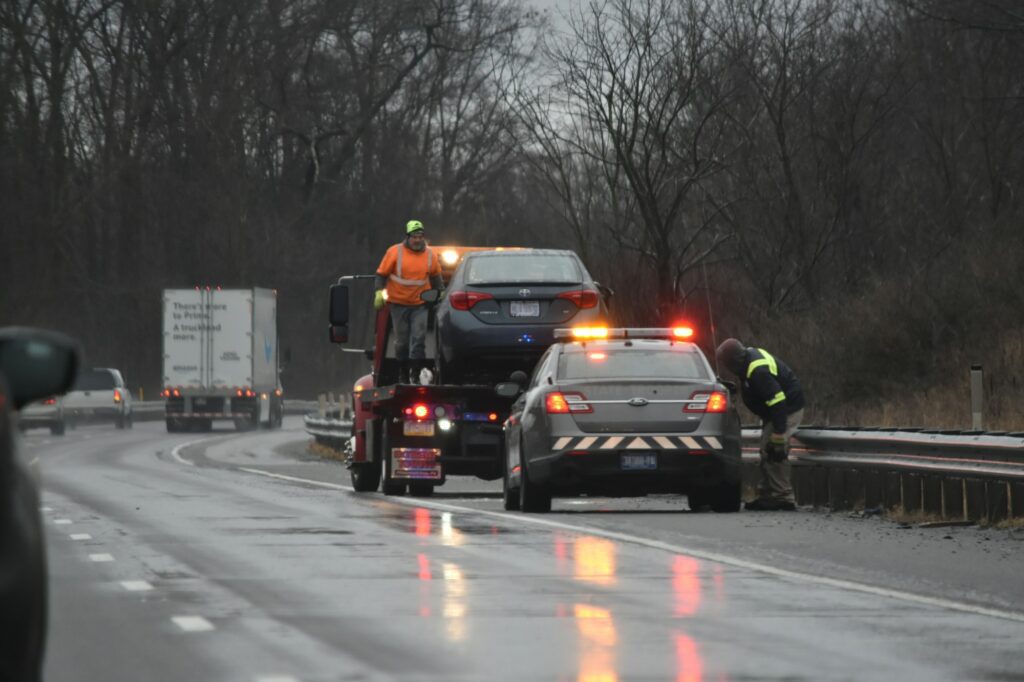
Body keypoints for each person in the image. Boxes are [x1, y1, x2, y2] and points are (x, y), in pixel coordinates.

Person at [715, 338, 806, 511]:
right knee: (766, 449)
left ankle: (783, 497)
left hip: (786, 409)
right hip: (775, 411)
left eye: (726, 364)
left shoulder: (757, 370)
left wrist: (779, 433)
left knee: (774, 450)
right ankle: (767, 495)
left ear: (733, 361)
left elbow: (778, 400)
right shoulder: (747, 360)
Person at [375, 219, 443, 384]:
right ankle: (403, 372)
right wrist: (379, 292)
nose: (418, 240)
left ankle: (415, 373)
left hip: (420, 305)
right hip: (398, 304)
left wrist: (440, 293)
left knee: (418, 340)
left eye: (420, 236)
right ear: (407, 237)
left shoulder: (430, 255)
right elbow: (381, 274)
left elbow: (436, 277)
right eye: (414, 236)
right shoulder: (394, 252)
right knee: (401, 342)